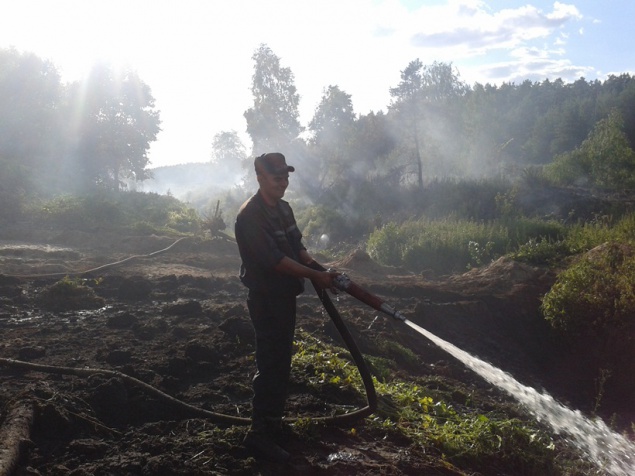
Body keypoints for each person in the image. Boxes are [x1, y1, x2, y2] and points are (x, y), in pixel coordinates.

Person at [234, 152, 338, 462]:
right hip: (266, 299)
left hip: (284, 298)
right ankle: (259, 435)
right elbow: (277, 261)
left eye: (286, 176)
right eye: (277, 177)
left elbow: (298, 249)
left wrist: (323, 269)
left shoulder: (283, 209)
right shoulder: (250, 216)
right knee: (271, 364)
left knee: (282, 362)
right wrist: (316, 276)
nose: (284, 182)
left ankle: (274, 426)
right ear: (260, 178)